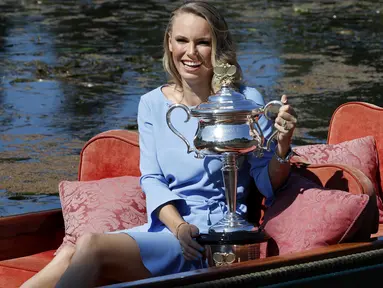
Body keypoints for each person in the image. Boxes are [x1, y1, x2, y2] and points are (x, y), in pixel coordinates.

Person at [21, 1, 297, 287]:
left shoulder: (245, 100)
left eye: (202, 42)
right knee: (70, 250)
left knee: (91, 245)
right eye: (182, 40)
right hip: (171, 229)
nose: (190, 53)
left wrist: (282, 144)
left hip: (212, 238)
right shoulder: (151, 103)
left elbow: (267, 182)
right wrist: (177, 227)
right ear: (169, 42)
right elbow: (152, 179)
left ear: (218, 46)